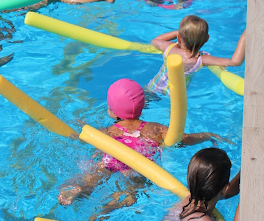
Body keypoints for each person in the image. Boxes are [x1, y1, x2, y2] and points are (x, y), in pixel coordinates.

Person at [58, 79, 226, 206]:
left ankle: (79, 189)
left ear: (112, 112)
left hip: (113, 158)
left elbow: (85, 139)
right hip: (140, 165)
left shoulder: (109, 131)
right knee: (132, 193)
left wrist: (79, 125)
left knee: (96, 174)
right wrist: (208, 135)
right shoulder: (155, 129)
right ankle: (108, 209)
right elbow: (184, 139)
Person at [148, 15, 246, 94]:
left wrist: (179, 33)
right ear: (207, 39)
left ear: (178, 38)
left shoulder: (169, 48)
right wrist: (244, 37)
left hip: (154, 88)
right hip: (176, 97)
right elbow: (235, 62)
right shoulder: (200, 59)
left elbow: (155, 41)